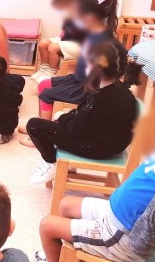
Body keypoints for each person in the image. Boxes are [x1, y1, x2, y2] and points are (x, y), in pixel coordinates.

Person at [34, 91, 155, 262]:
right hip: (114, 216)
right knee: (65, 204)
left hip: (124, 237)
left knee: (47, 226)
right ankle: (65, 261)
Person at [26, 39, 142, 184]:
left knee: (34, 125)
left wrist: (62, 120)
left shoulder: (105, 96)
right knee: (59, 118)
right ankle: (61, 161)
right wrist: (65, 118)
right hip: (106, 141)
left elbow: (79, 130)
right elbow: (85, 115)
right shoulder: (114, 88)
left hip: (97, 148)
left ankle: (50, 162)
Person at [19, 0, 118, 132]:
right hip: (78, 78)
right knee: (44, 84)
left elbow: (102, 73)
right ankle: (42, 121)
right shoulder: (91, 31)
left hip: (88, 87)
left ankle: (42, 132)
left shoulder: (101, 39)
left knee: (46, 95)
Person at [30, 0, 87, 82]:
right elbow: (65, 30)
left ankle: (50, 73)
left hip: (80, 44)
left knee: (53, 48)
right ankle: (44, 70)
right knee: (43, 43)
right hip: (67, 39)